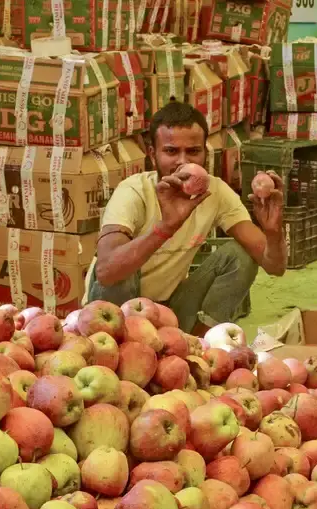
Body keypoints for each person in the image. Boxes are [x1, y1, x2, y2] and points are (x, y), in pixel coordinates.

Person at [84, 102, 286, 335]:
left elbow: (275, 266)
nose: (183, 161)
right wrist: (165, 228)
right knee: (125, 261)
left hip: (170, 309)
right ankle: (121, 343)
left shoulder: (216, 192)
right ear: (153, 155)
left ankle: (199, 344)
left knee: (241, 255)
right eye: (171, 151)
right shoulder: (133, 191)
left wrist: (273, 232)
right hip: (117, 314)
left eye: (192, 151)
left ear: (205, 154)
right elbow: (107, 272)